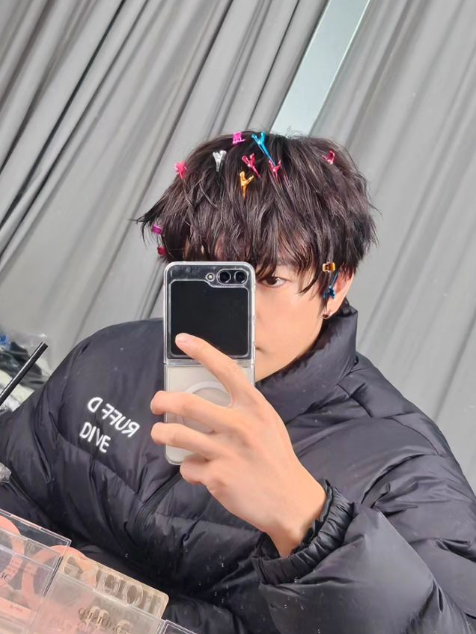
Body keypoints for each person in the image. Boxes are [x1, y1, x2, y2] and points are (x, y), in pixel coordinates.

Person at [0, 131, 475, 634]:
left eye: (269, 280)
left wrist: (311, 526)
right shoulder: (108, 359)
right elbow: (22, 492)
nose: (237, 314)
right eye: (211, 273)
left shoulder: (404, 469)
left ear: (336, 285)